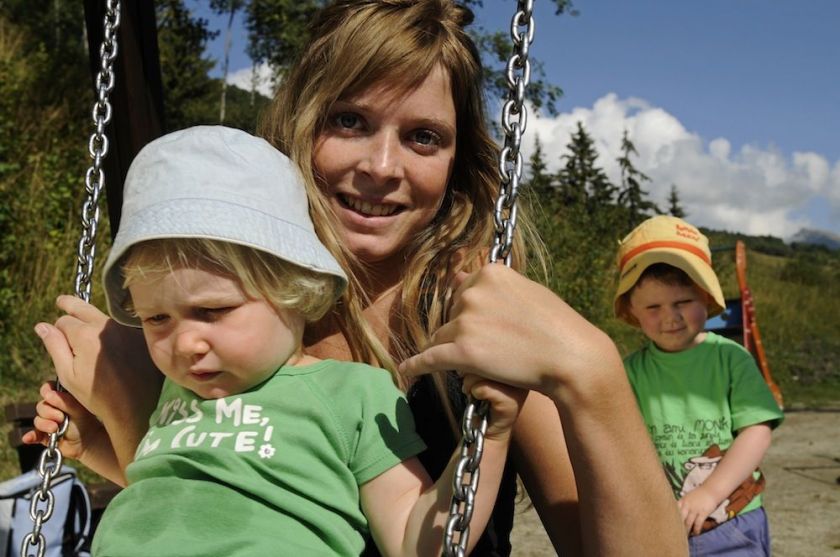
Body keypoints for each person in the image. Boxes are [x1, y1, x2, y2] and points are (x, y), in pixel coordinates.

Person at [28, 1, 688, 554]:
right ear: (300, 122)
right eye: (350, 120)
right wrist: (119, 427)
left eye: (423, 137)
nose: (381, 164)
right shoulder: (215, 304)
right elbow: (237, 488)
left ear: (457, 161)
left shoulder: (472, 326)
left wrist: (593, 370)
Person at [27, 125, 524, 556]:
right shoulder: (179, 393)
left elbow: (414, 538)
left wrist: (489, 438)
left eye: (212, 311)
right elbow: (175, 488)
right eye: (157, 318)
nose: (184, 343)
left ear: (293, 292)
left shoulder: (351, 396)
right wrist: (91, 444)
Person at [611, 215, 784, 556]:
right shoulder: (628, 373)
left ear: (705, 297)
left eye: (682, 302)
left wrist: (709, 492)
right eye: (653, 307)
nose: (670, 317)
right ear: (632, 310)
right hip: (659, 523)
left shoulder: (730, 358)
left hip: (729, 520)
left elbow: (757, 430)